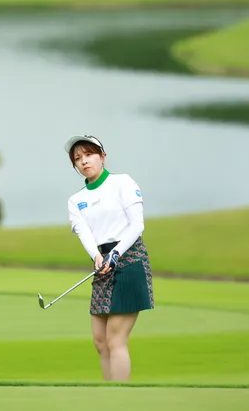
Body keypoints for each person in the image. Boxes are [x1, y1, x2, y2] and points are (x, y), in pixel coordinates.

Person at [64, 134, 154, 382]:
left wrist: (115, 253)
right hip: (102, 263)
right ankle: (107, 393)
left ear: (102, 156)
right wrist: (96, 255)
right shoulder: (76, 200)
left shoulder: (122, 182)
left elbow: (137, 225)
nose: (84, 161)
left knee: (115, 339)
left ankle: (120, 397)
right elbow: (84, 233)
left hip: (130, 259)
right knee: (100, 341)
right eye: (78, 158)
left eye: (89, 154)